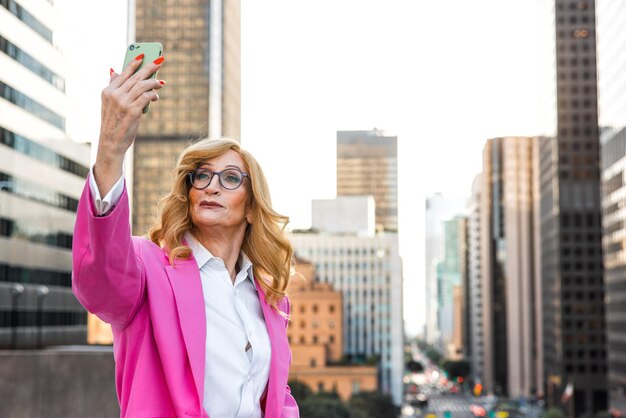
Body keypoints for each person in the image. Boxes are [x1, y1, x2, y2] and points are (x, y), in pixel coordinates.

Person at [72, 54, 299, 417]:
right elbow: (98, 282)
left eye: (229, 179)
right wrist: (111, 150)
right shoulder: (149, 268)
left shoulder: (271, 300)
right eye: (202, 176)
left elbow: (276, 395)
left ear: (252, 207)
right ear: (189, 192)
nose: (211, 186)